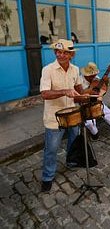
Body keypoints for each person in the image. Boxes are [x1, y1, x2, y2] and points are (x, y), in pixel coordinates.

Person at [39, 39, 82, 192]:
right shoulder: (48, 70)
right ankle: (47, 177)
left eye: (65, 52)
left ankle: (71, 162)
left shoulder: (75, 70)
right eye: (58, 52)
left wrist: (93, 94)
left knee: (73, 141)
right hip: (54, 117)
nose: (61, 55)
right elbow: (44, 94)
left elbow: (78, 91)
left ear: (71, 55)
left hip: (72, 114)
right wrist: (64, 91)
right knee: (51, 149)